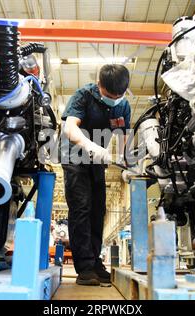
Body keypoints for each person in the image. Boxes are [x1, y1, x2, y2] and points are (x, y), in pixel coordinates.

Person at [60, 64, 131, 286]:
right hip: (75, 157)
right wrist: (91, 147)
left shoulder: (124, 106)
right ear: (99, 85)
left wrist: (128, 162)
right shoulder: (83, 96)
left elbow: (123, 140)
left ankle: (94, 262)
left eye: (119, 95)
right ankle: (84, 267)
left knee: (98, 210)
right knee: (81, 206)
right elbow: (70, 129)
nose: (115, 99)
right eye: (110, 96)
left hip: (97, 162)